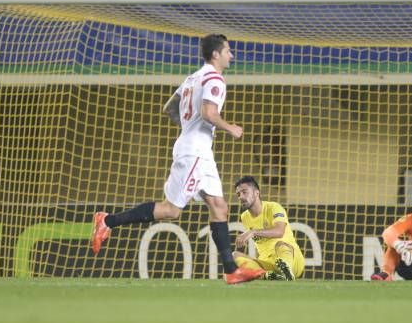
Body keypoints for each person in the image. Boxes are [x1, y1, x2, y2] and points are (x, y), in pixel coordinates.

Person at [90, 34, 265, 284]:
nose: (231, 55)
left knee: (220, 207)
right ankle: (107, 221)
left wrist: (187, 127)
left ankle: (231, 270)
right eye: (228, 50)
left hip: (199, 151)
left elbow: (170, 109)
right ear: (215, 54)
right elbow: (208, 113)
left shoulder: (192, 78)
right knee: (171, 210)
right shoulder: (215, 79)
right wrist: (231, 128)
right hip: (194, 152)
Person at [232, 175, 304, 281]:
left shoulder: (273, 207)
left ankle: (287, 271)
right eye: (238, 194)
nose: (241, 197)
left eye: (244, 192)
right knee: (234, 255)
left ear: (257, 193)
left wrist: (253, 232)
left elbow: (279, 231)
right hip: (267, 263)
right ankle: (269, 275)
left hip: (292, 259)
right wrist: (241, 244)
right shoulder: (245, 217)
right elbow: (261, 244)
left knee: (280, 245)